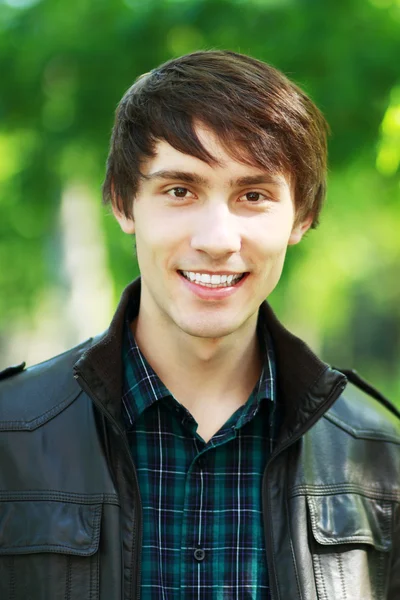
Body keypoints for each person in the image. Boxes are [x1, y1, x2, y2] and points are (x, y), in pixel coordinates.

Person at [0, 50, 399, 600]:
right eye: (180, 190)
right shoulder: (8, 436)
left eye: (253, 195)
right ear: (123, 202)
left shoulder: (382, 455)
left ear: (302, 217)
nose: (216, 239)